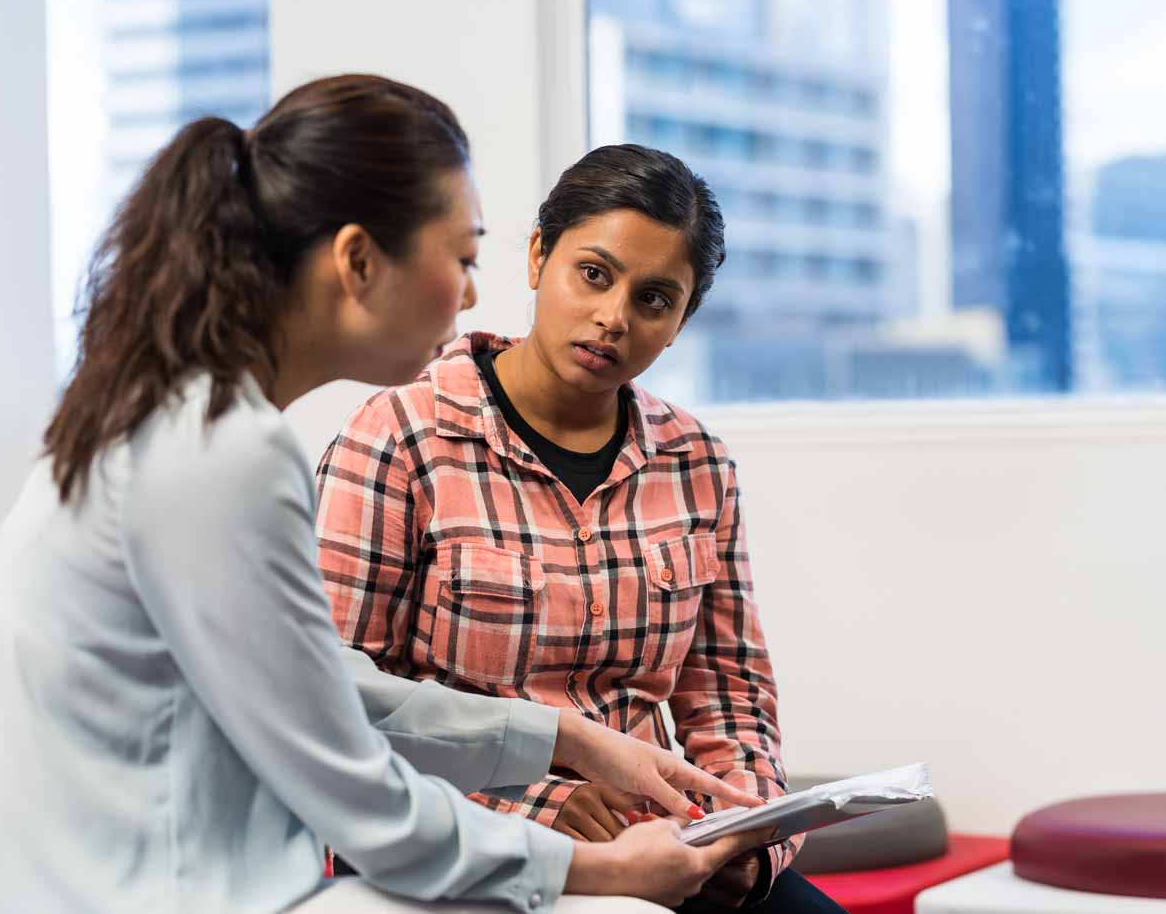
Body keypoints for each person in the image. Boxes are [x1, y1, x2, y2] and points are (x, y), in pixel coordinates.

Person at [0, 77, 769, 913]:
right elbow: (355, 789)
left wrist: (567, 738)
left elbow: (320, 684)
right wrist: (598, 869)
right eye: (461, 258)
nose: (468, 296)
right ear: (357, 260)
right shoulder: (223, 454)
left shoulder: (179, 418)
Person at [315, 144, 847, 912]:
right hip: (468, 849)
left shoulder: (696, 462)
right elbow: (340, 707)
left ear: (680, 322)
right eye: (593, 274)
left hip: (659, 839)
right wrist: (533, 810)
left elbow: (729, 693)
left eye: (655, 300)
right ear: (538, 257)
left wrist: (748, 836)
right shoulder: (400, 434)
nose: (613, 318)